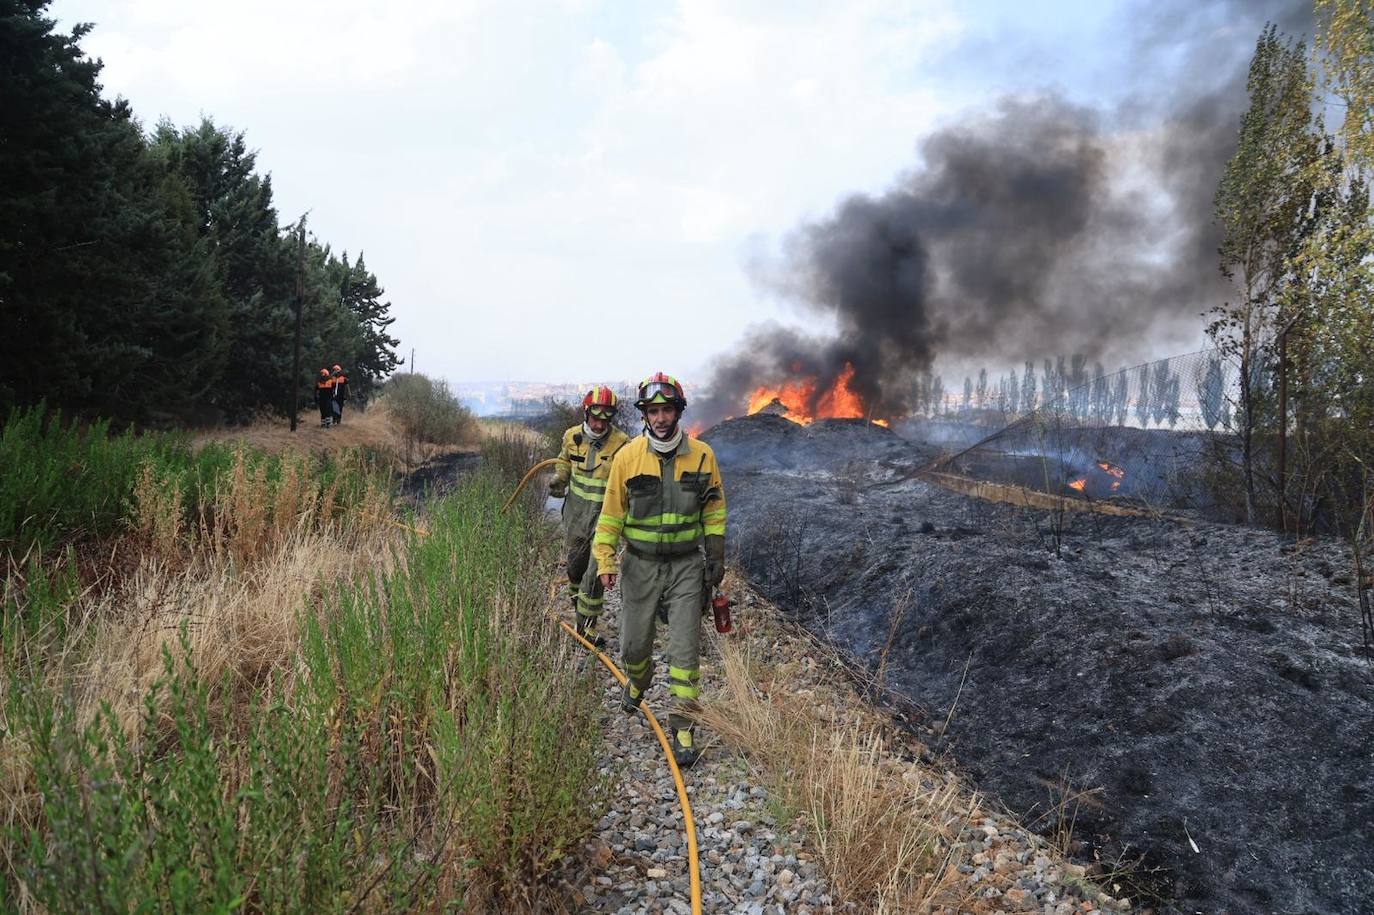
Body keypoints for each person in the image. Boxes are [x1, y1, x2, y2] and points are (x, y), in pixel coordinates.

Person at [593, 372, 726, 767]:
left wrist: (715, 556)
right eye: (654, 411)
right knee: (634, 645)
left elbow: (714, 510)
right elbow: (611, 515)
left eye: (668, 409)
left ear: (678, 412)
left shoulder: (703, 455)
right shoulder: (627, 458)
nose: (662, 418)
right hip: (640, 565)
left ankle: (684, 725)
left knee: (685, 649)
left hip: (686, 566)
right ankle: (639, 679)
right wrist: (605, 559)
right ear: (644, 416)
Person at [549, 386, 631, 648]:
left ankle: (586, 626)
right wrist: (560, 478)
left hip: (604, 519)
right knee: (575, 568)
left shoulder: (622, 444)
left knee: (594, 574)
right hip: (575, 516)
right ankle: (578, 607)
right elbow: (564, 461)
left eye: (605, 419)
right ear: (586, 413)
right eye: (595, 418)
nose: (599, 424)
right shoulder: (572, 436)